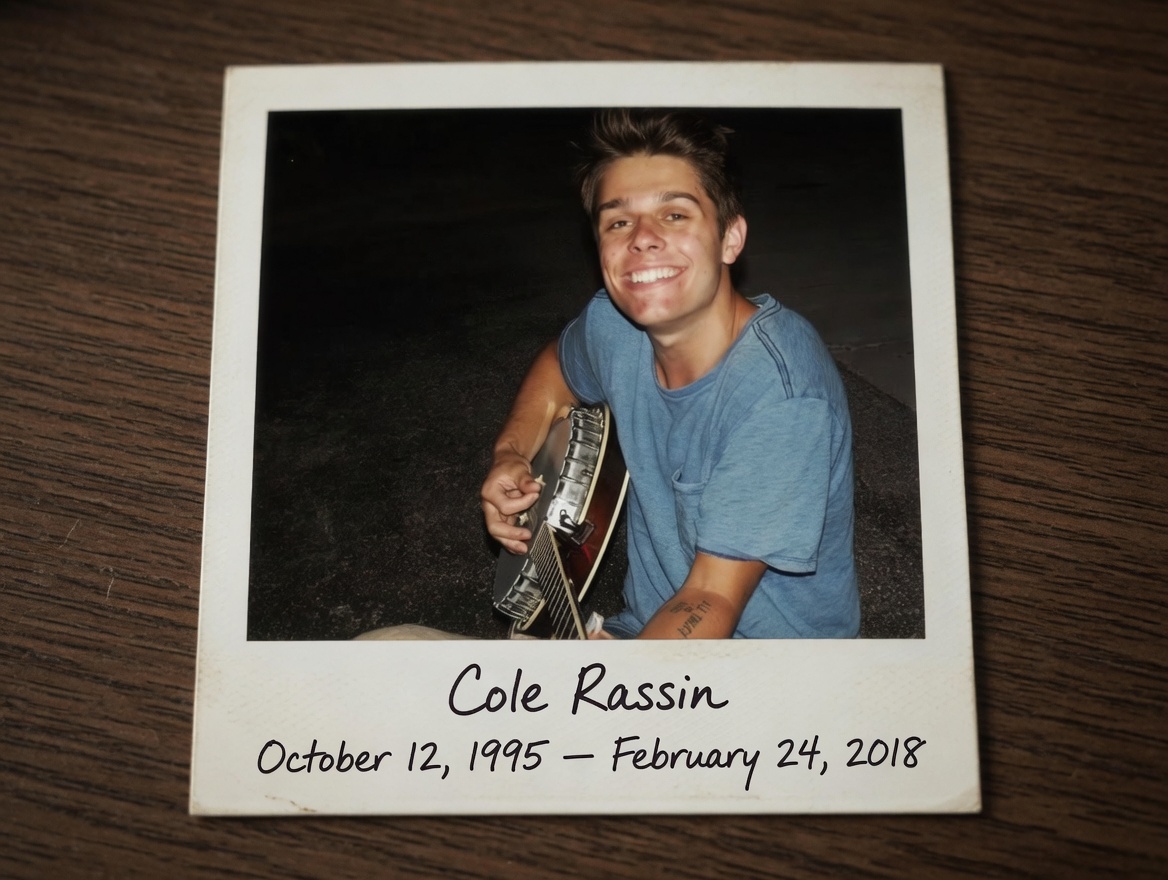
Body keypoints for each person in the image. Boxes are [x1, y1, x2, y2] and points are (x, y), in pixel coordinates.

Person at [481, 109, 860, 640]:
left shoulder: (781, 395)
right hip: (647, 630)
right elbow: (557, 367)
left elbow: (711, 597)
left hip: (766, 673)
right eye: (617, 221)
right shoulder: (614, 325)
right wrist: (511, 453)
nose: (641, 238)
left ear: (730, 238)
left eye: (675, 215)